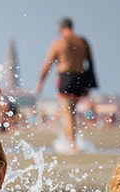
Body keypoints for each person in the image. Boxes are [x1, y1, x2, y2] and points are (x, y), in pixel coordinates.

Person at [35, 18, 96, 155]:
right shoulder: (82, 42)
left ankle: (73, 146)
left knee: (67, 114)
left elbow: (48, 64)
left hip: (66, 78)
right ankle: (71, 141)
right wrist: (89, 84)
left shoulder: (58, 43)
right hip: (80, 79)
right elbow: (91, 63)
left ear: (61, 29)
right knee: (72, 113)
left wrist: (40, 82)